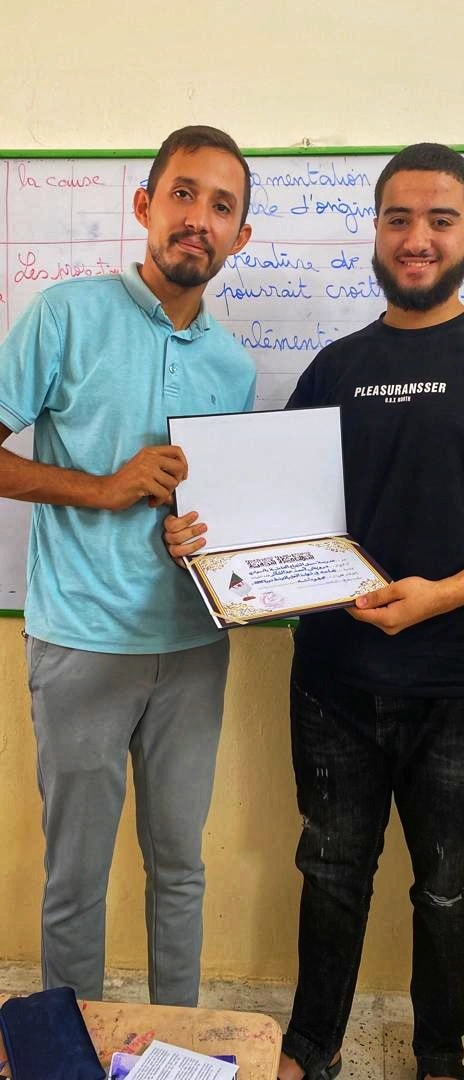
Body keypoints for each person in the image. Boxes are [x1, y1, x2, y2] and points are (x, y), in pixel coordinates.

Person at [165, 142, 464, 1078]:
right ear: (375, 229)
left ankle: (440, 1054)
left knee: (447, 887)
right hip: (334, 682)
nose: (416, 239)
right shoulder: (334, 368)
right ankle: (311, 1045)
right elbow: (277, 516)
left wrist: (441, 596)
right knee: (329, 871)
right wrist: (212, 546)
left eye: (439, 220)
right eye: (398, 219)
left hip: (462, 684)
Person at [0, 125, 255, 1006]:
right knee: (76, 875)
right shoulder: (65, 315)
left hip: (194, 648)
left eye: (220, 206)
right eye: (183, 194)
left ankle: (177, 1039)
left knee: (180, 868)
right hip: (81, 643)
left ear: (239, 236)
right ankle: (73, 1049)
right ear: (145, 205)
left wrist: (198, 535)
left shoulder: (232, 365)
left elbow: (216, 507)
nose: (198, 219)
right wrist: (102, 489)